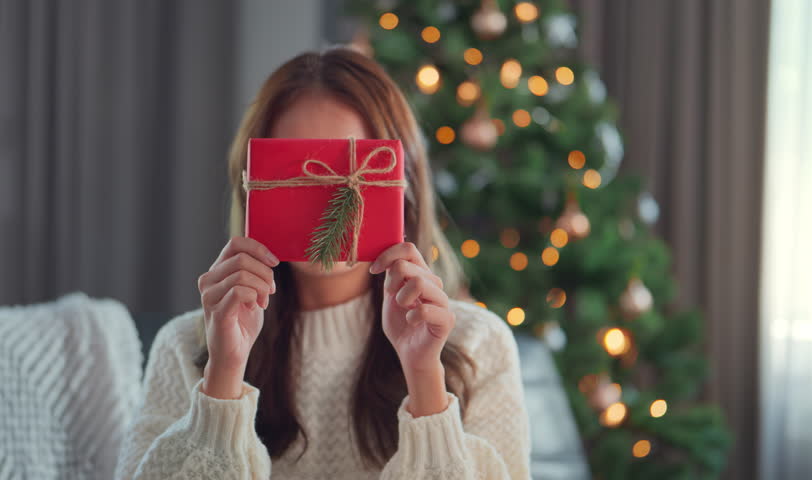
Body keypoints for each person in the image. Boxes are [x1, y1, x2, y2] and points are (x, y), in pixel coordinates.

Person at [116, 47, 531, 479]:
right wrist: (223, 379)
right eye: (301, 170)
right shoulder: (187, 348)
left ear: (398, 182)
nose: (326, 199)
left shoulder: (479, 347)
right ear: (254, 183)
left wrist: (425, 377)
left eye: (346, 169)